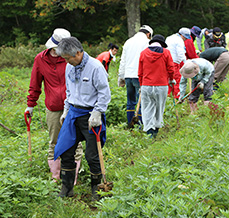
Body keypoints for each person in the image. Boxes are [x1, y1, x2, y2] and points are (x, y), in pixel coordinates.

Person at [54, 37, 111, 200]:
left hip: (90, 115)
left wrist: (97, 112)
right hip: (73, 113)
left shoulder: (95, 67)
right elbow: (69, 91)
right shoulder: (69, 67)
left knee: (92, 155)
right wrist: (66, 110)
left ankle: (96, 189)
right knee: (66, 150)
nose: (66, 61)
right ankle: (67, 188)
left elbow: (104, 93)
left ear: (78, 53)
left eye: (68, 58)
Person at [24, 28, 83, 185]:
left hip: (74, 106)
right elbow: (35, 84)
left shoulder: (71, 58)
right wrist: (30, 105)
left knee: (76, 143)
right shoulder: (40, 60)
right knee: (54, 142)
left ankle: (73, 178)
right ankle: (56, 178)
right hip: (53, 107)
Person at [138, 35, 175, 138]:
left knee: (147, 108)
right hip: (161, 85)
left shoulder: (143, 53)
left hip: (147, 85)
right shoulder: (166, 52)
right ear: (162, 44)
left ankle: (149, 132)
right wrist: (172, 79)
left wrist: (141, 84)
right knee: (159, 107)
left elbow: (140, 72)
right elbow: (171, 68)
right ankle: (156, 129)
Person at [118, 25, 153, 127]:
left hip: (128, 75)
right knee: (141, 102)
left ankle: (130, 124)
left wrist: (121, 76)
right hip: (140, 76)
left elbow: (123, 60)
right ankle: (140, 125)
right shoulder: (146, 43)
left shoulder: (128, 41)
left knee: (130, 101)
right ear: (148, 34)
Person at [165, 27, 191, 99]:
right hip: (174, 62)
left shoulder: (169, 38)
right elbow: (181, 53)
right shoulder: (179, 41)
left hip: (166, 61)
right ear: (182, 35)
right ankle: (177, 96)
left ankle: (167, 95)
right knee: (177, 79)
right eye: (185, 37)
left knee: (168, 79)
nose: (185, 39)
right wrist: (185, 63)